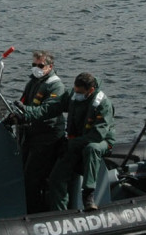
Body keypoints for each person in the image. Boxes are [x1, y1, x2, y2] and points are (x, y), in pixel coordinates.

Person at [18, 72, 115, 211]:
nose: (77, 94)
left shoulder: (103, 104)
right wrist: (28, 113)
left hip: (101, 140)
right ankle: (60, 212)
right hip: (76, 140)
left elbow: (97, 135)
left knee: (92, 148)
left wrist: (70, 143)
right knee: (56, 179)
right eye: (75, 90)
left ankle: (88, 194)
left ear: (91, 90)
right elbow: (52, 108)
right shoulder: (73, 95)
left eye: (80, 92)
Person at [12, 50, 67, 212]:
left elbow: (47, 110)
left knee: (32, 177)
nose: (36, 68)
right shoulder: (33, 82)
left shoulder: (55, 85)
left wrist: (26, 113)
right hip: (31, 134)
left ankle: (35, 212)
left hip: (47, 137)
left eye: (40, 65)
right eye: (34, 65)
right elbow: (24, 102)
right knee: (22, 173)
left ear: (50, 67)